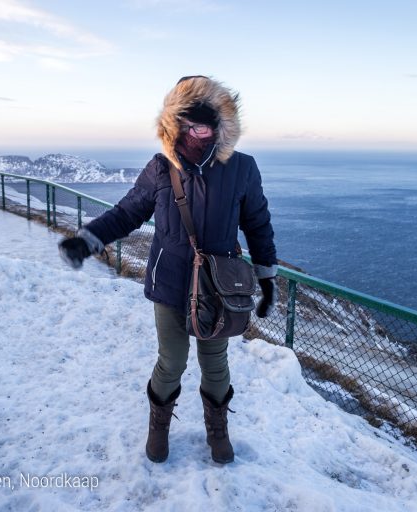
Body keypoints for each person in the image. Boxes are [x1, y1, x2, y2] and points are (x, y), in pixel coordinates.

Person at [59, 75, 278, 464]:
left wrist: (267, 279)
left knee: (215, 364)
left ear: (221, 125)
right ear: (176, 124)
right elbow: (127, 212)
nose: (202, 134)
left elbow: (257, 224)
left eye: (209, 125)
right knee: (172, 362)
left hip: (218, 287)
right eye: (193, 125)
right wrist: (87, 239)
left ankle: (218, 431)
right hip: (170, 284)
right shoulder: (162, 167)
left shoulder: (242, 168)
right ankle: (157, 428)